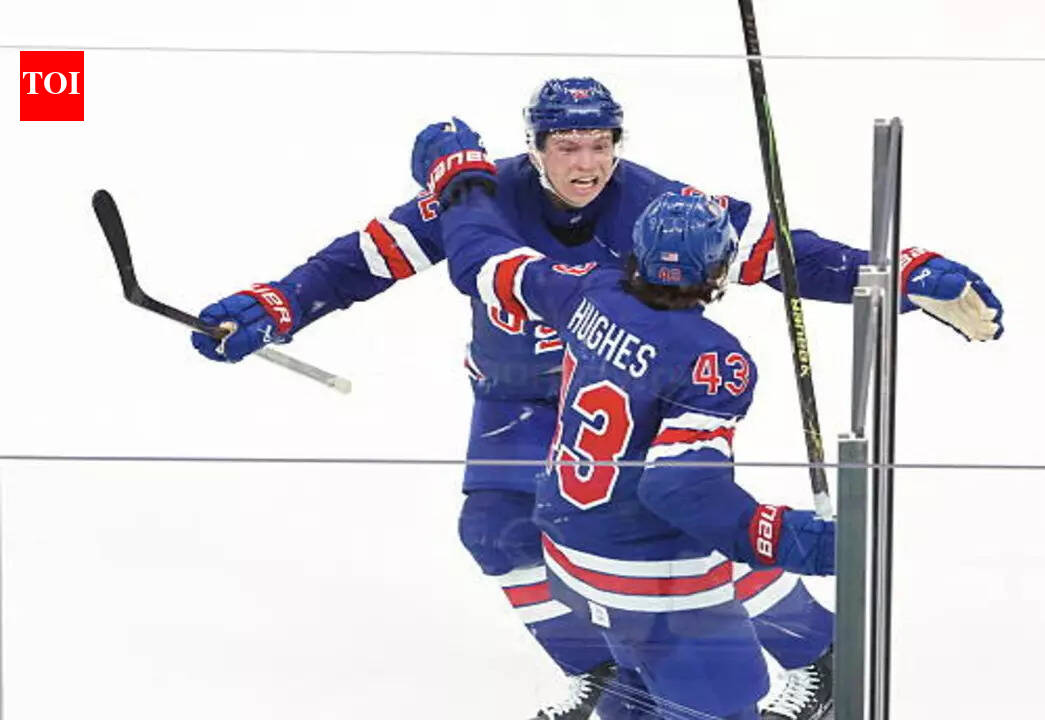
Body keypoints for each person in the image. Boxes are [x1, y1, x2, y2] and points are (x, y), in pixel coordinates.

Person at [190, 78, 1003, 720]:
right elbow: (355, 264)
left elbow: (788, 255)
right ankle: (615, 673)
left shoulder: (652, 200)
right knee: (495, 531)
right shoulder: (481, 193)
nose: (586, 162)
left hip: (629, 398)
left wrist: (897, 272)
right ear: (535, 146)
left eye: (601, 143)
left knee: (669, 526)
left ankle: (814, 651)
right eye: (567, 145)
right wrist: (276, 305)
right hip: (518, 395)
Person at [424, 113, 839, 719]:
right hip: (651, 574)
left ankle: (810, 652)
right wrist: (786, 537)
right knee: (715, 696)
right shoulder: (713, 356)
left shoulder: (585, 291)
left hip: (578, 553)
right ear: (721, 270)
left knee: (640, 694)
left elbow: (483, 259)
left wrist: (459, 183)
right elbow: (685, 490)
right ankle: (803, 650)